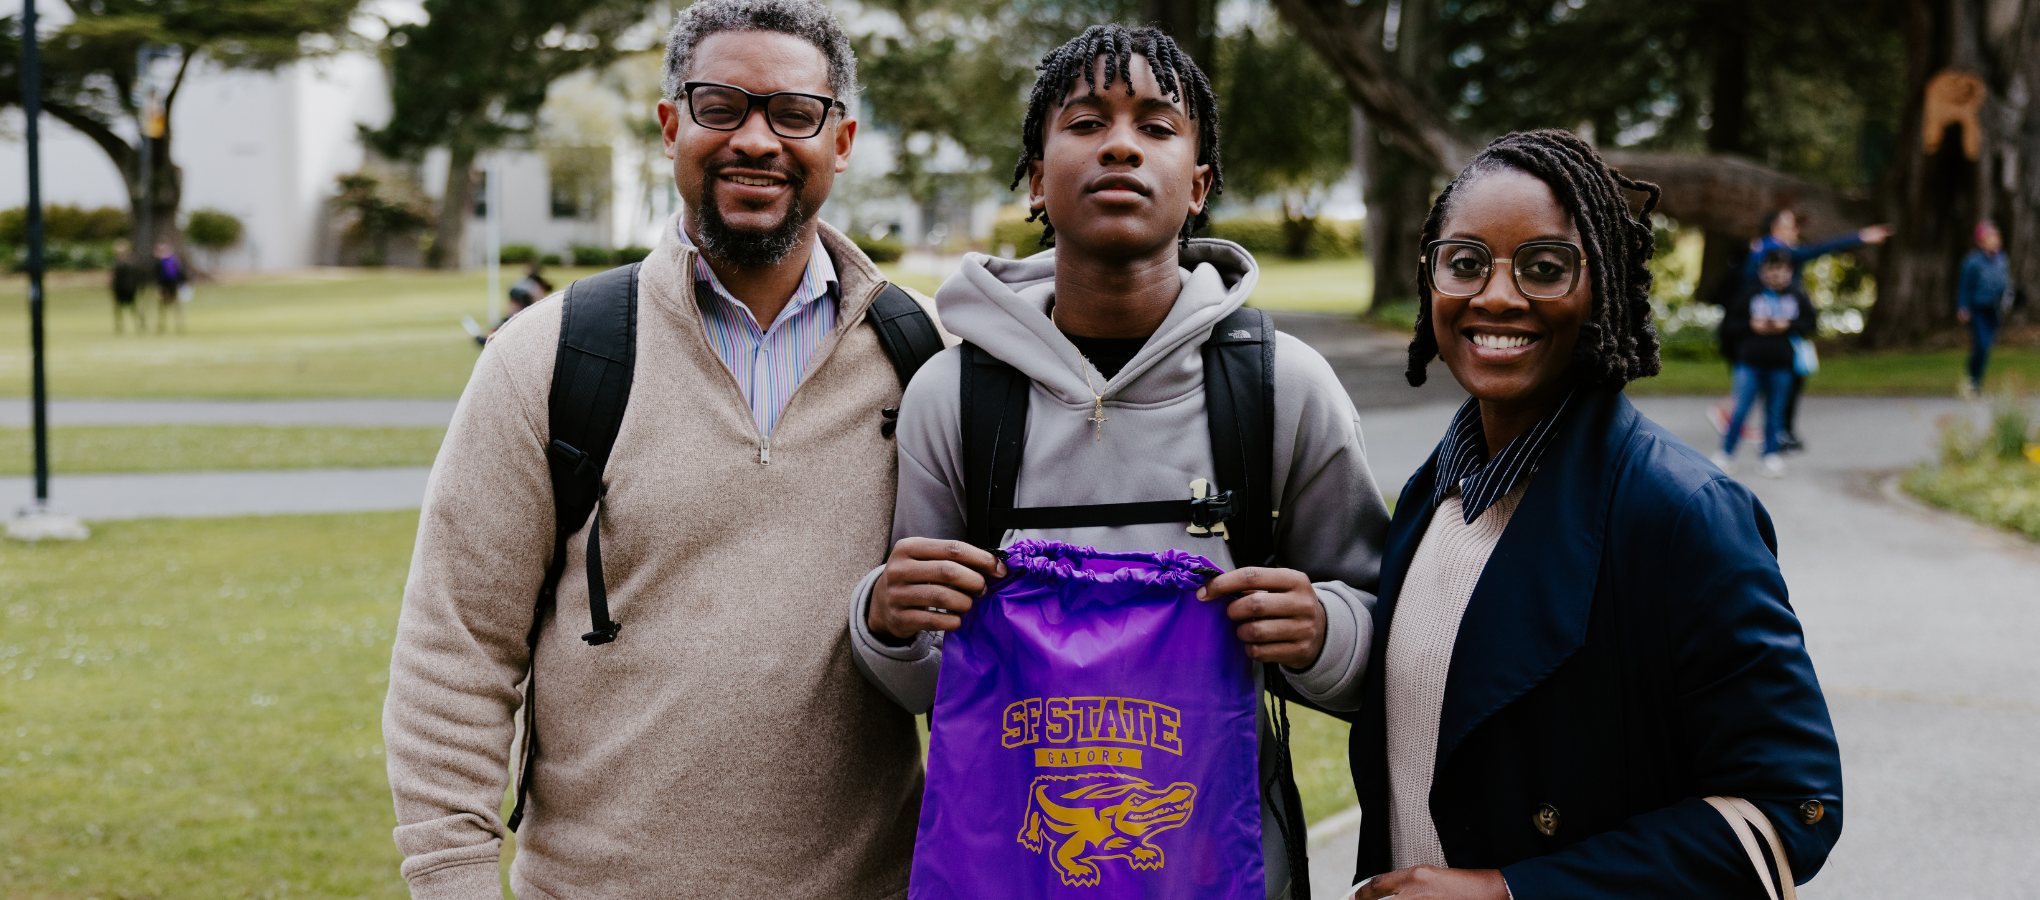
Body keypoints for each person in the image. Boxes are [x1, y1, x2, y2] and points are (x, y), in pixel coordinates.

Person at [381, 3, 948, 897]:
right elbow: (455, 653)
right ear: (671, 125)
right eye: (720, 106)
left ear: (840, 141)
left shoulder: (929, 361)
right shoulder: (549, 356)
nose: (755, 139)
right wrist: (453, 881)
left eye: (793, 113)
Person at [849, 25, 1391, 898]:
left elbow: (1381, 648)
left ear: (1199, 185)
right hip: (1015, 869)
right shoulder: (954, 397)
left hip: (1222, 869)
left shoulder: (1282, 386)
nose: (1121, 146)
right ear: (1036, 178)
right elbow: (932, 678)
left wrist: (1326, 632)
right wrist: (886, 623)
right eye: (1085, 121)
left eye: (1157, 126)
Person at [1347, 130, 1841, 900]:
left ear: (1601, 286)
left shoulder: (1681, 515)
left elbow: (1791, 809)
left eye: (1545, 268)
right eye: (1465, 262)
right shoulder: (1430, 494)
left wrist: (1512, 891)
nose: (1496, 295)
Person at [1722, 209, 1889, 452]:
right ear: (1776, 228)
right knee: (1775, 389)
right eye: (1791, 225)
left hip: (1765, 336)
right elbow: (1820, 249)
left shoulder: (1760, 250)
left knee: (1772, 388)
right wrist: (1860, 237)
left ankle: (1776, 435)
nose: (1796, 231)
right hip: (1766, 339)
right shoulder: (1774, 252)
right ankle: (1765, 439)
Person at [1712, 250, 1814, 478]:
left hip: (1782, 364)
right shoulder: (1749, 295)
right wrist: (1751, 325)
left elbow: (1811, 323)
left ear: (1789, 272)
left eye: (1781, 271)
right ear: (1762, 272)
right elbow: (1729, 326)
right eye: (1771, 271)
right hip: (1750, 363)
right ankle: (1726, 454)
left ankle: (1770, 455)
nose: (1776, 276)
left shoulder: (1797, 296)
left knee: (1775, 412)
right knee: (1740, 410)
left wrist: (1788, 325)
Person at [1957, 220, 2011, 399]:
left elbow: (2004, 283)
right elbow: (1965, 286)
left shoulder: (2001, 259)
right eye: (1990, 237)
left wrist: (2009, 298)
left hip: (1994, 309)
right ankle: (1974, 379)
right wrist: (1963, 307)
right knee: (1981, 344)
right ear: (1981, 241)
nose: (1994, 240)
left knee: (1986, 346)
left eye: (1996, 236)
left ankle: (1976, 380)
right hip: (1978, 308)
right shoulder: (1973, 262)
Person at [110, 238, 144, 333]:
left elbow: (136, 277)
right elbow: (113, 277)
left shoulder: (131, 262)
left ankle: (140, 325)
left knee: (134, 308)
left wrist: (136, 288)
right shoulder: (116, 262)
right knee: (118, 309)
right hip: (119, 289)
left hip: (129, 289)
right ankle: (119, 327)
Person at [153, 240, 187, 333]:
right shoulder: (171, 259)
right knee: (167, 307)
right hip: (168, 286)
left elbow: (177, 273)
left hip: (169, 286)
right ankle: (169, 326)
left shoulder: (164, 261)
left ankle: (175, 325)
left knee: (171, 306)